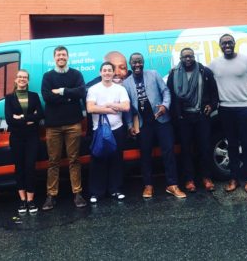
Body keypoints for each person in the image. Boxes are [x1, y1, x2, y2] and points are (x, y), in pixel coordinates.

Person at [123, 53, 186, 199]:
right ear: (130, 64)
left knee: (168, 152)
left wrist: (165, 105)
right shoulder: (126, 83)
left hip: (162, 120)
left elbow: (166, 91)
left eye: (139, 62)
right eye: (134, 62)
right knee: (145, 154)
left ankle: (172, 184)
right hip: (143, 124)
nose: (137, 64)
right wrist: (129, 125)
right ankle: (148, 185)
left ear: (143, 62)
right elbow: (128, 108)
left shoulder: (153, 74)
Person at [209, 34, 247, 193]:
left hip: (244, 108)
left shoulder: (246, 61)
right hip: (225, 109)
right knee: (232, 144)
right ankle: (234, 178)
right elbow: (203, 77)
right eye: (224, 43)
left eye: (230, 42)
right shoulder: (214, 64)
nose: (227, 45)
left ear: (235, 43)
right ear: (220, 45)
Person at [41, 45, 87, 210]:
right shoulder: (47, 76)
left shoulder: (76, 74)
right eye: (58, 55)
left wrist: (61, 91)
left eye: (63, 54)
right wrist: (69, 96)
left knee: (74, 159)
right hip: (53, 126)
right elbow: (47, 97)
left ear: (68, 57)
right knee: (53, 161)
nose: (61, 57)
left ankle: (78, 193)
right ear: (54, 57)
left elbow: (81, 92)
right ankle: (51, 195)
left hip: (73, 124)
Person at [167, 48, 219, 193]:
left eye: (190, 56)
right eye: (184, 57)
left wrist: (211, 105)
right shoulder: (174, 74)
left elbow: (215, 93)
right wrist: (176, 115)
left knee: (204, 147)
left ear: (194, 57)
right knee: (186, 149)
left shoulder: (205, 72)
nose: (188, 59)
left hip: (202, 116)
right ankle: (189, 179)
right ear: (180, 58)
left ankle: (206, 177)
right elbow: (170, 95)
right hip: (184, 118)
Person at [86, 61, 130, 203]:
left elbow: (126, 106)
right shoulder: (93, 89)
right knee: (98, 160)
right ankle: (96, 193)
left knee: (116, 160)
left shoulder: (120, 89)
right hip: (99, 130)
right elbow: (91, 108)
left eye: (109, 70)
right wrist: (111, 110)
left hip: (117, 129)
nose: (107, 73)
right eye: (104, 70)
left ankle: (115, 190)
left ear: (113, 72)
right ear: (100, 73)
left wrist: (110, 104)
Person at [5, 69, 43, 214]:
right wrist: (28, 119)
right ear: (15, 80)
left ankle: (30, 200)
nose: (22, 79)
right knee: (19, 168)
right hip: (16, 138)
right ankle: (22, 201)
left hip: (32, 137)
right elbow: (9, 119)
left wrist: (21, 118)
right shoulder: (9, 98)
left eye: (25, 77)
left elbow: (40, 114)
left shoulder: (33, 96)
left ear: (28, 80)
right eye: (20, 77)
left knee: (30, 167)